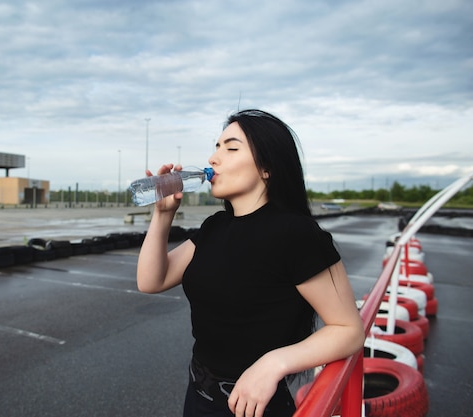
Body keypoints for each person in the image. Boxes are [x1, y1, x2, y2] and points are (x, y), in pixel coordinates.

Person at [136, 109, 365, 417]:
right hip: (199, 395)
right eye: (216, 147)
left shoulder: (296, 234)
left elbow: (348, 329)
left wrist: (274, 363)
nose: (214, 158)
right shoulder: (215, 227)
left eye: (231, 148)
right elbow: (151, 281)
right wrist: (163, 215)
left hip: (253, 407)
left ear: (267, 167)